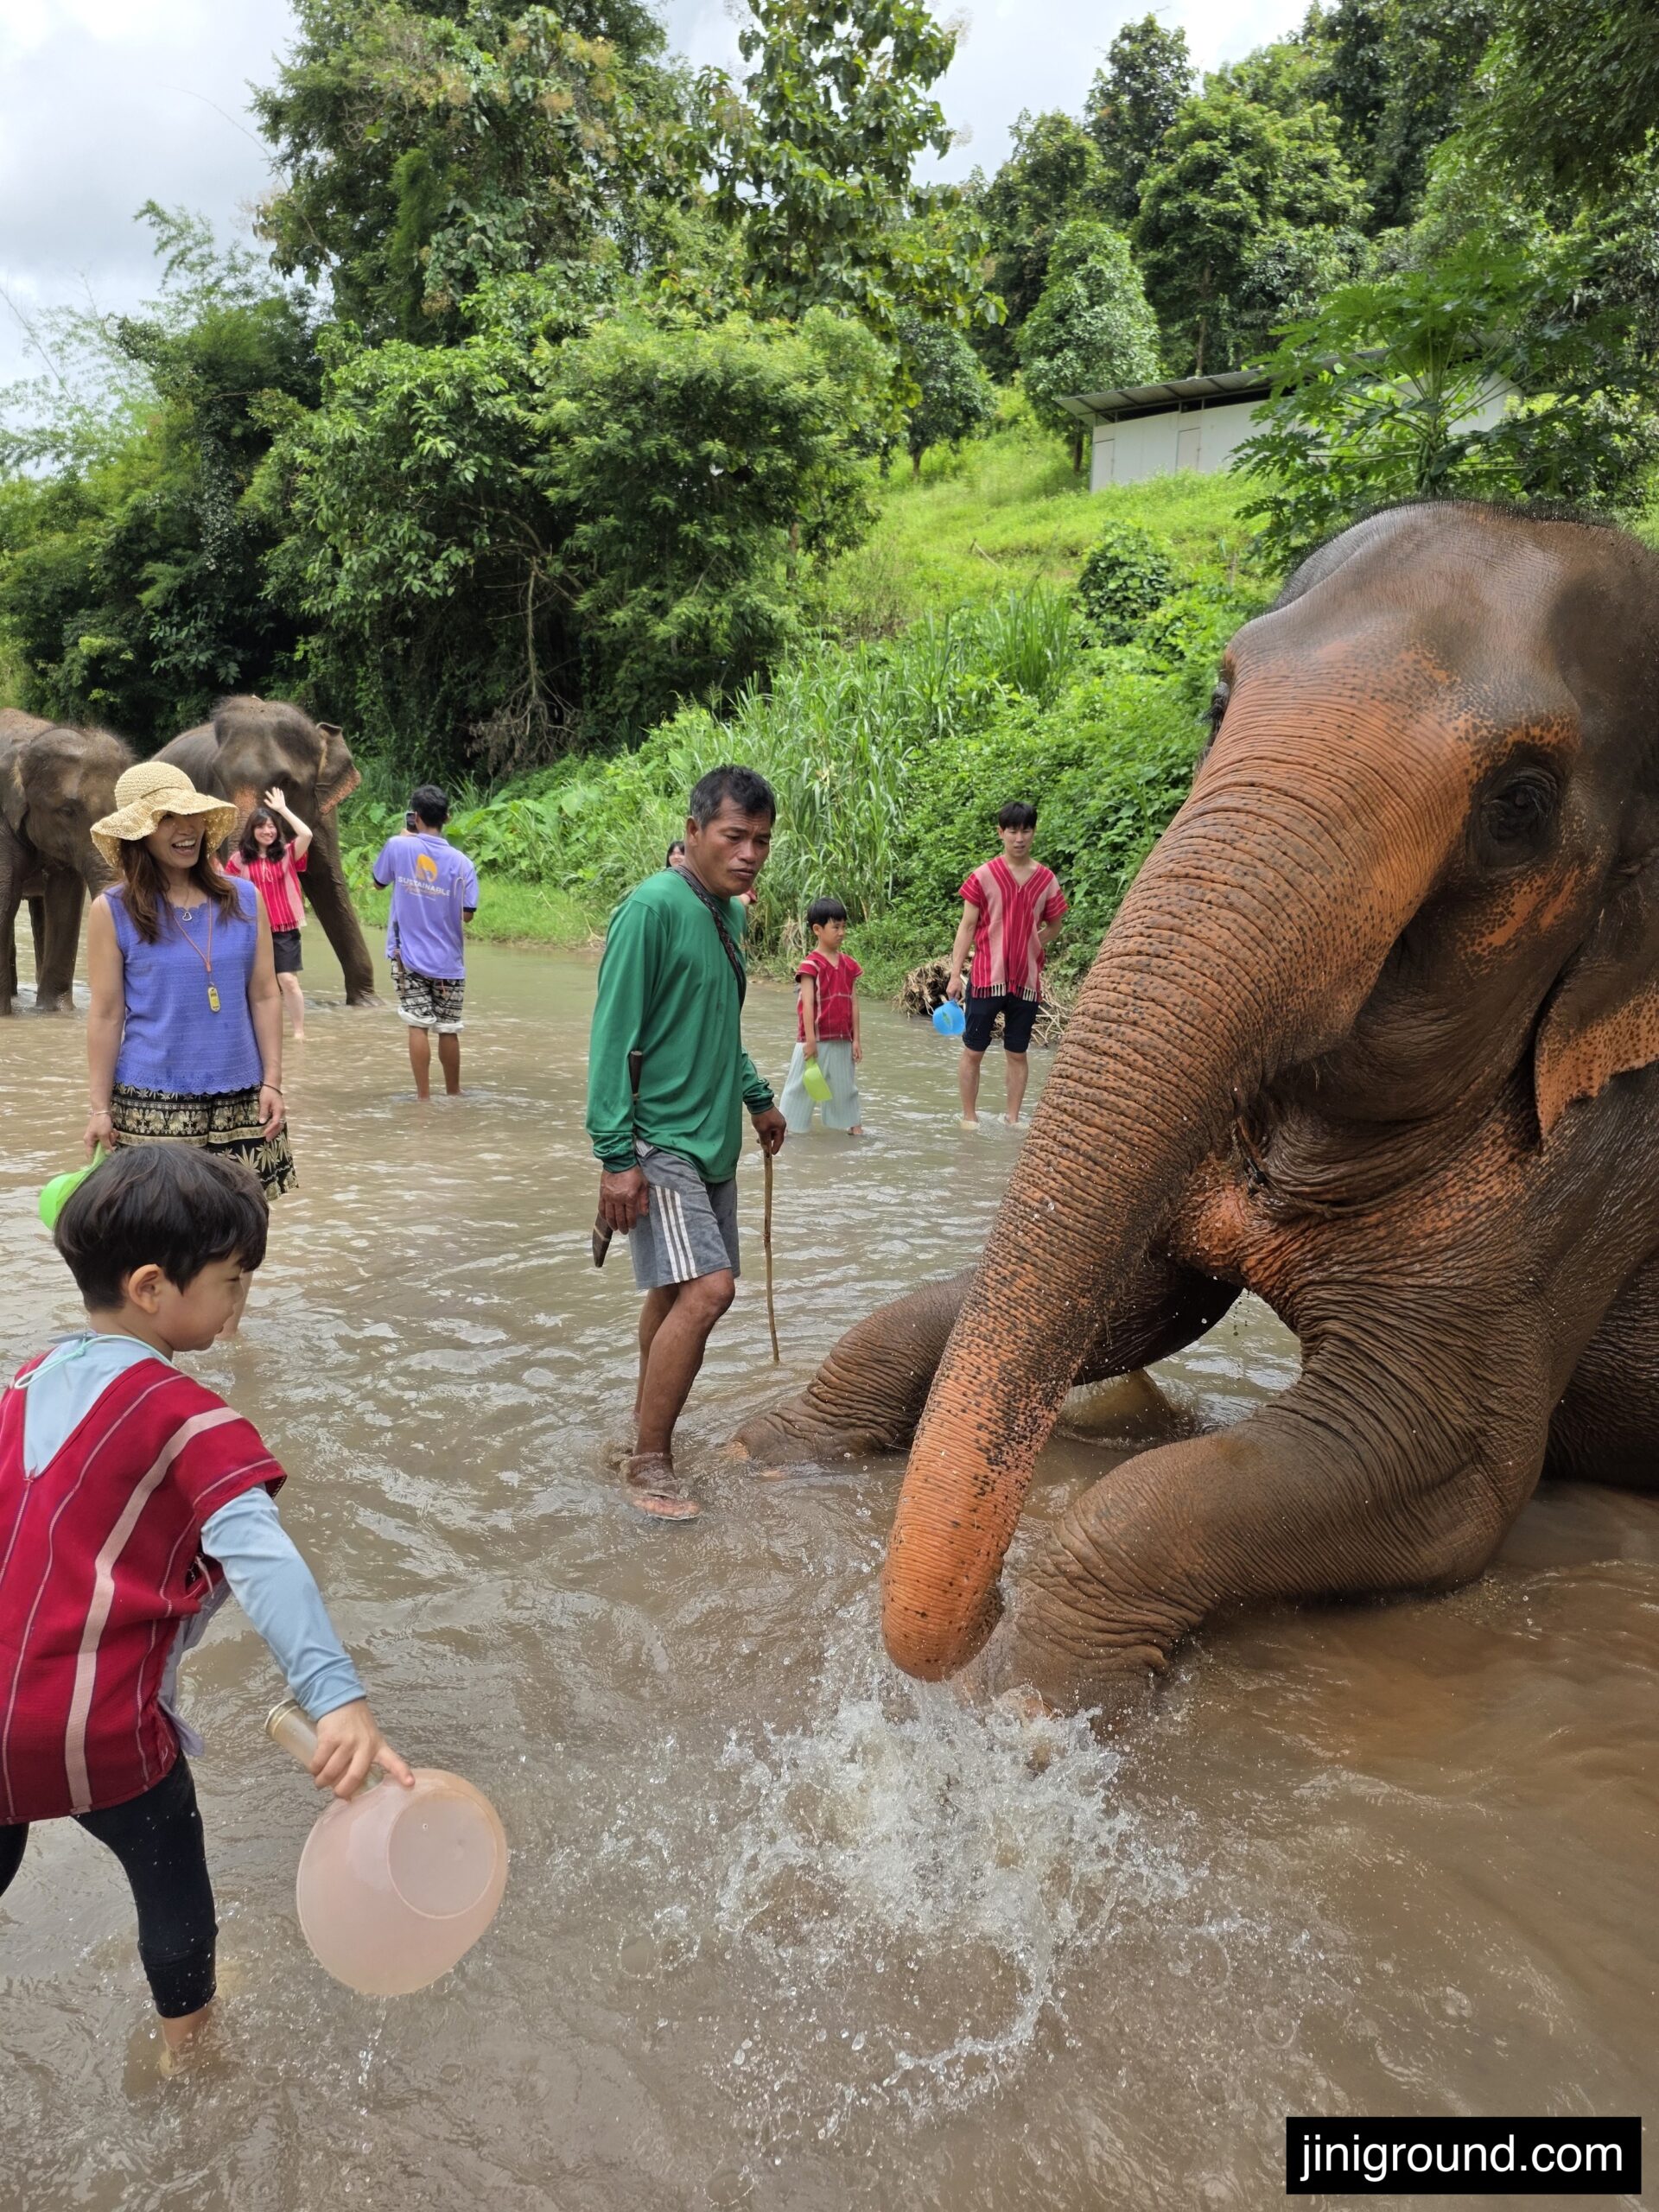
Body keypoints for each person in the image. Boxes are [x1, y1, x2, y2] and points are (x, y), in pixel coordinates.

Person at [0, 1145, 412, 2056]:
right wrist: (336, 1697)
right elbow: (265, 1559)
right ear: (151, 1286)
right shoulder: (193, 1420)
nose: (240, 1307)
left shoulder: (22, 1385)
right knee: (172, 1889)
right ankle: (190, 2051)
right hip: (100, 1728)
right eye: (233, 1282)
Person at [587, 764, 787, 1520]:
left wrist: (757, 1098)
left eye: (762, 841)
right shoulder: (652, 909)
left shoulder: (727, 915)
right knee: (711, 1290)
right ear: (695, 830)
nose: (749, 854)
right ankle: (650, 1463)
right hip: (659, 1139)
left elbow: (711, 1026)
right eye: (735, 836)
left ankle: (642, 1429)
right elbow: (613, 1041)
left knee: (674, 1291)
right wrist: (615, 1157)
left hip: (712, 1138)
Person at [85, 762, 295, 1339]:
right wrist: (99, 1108)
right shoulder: (114, 910)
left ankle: (227, 1346)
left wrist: (273, 1081)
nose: (186, 829)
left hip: (240, 1096)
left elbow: (264, 993)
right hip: (152, 1099)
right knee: (157, 1239)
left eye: (191, 816)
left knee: (240, 1232)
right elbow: (105, 1013)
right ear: (138, 834)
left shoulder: (245, 899)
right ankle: (156, 1351)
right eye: (166, 818)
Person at [944, 798, 1068, 1128]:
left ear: (1034, 832)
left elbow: (1055, 925)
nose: (1019, 838)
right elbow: (967, 927)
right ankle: (969, 1118)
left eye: (1026, 830)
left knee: (1017, 1053)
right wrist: (956, 976)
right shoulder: (983, 877)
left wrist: (1033, 944)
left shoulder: (1046, 880)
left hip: (1026, 983)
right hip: (986, 977)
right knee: (973, 1051)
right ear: (1001, 832)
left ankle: (1012, 1119)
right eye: (1012, 830)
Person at [372, 785, 479, 1100]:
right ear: (447, 817)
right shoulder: (463, 863)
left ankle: (422, 1098)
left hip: (407, 957)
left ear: (415, 817)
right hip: (449, 960)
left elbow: (378, 883)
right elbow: (467, 915)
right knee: (449, 1028)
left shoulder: (397, 846)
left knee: (417, 1025)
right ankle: (454, 1093)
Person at [225, 788, 312, 1041]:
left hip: (284, 927)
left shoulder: (287, 854)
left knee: (288, 980)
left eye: (272, 827)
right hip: (252, 930)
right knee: (256, 985)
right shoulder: (238, 861)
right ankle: (256, 1030)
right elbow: (226, 893)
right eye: (261, 827)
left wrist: (283, 810)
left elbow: (306, 833)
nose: (268, 831)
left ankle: (298, 1032)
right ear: (252, 831)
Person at [779, 897, 863, 1136]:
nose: (841, 932)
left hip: (841, 1038)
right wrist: (811, 1040)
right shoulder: (810, 965)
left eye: (844, 926)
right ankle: (785, 1130)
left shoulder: (849, 965)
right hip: (813, 1038)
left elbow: (853, 1002)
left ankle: (854, 1126)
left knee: (845, 1086)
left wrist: (856, 1039)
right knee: (799, 1086)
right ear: (817, 929)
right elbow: (807, 1004)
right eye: (835, 927)